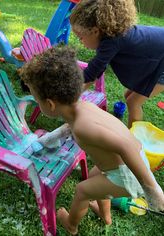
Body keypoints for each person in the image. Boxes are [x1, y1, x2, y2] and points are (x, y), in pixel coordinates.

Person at [20, 46, 164, 235]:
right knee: (95, 179)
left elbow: (126, 145)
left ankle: (71, 225)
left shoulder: (82, 126)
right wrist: (48, 139)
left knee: (82, 190)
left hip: (129, 173)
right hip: (121, 166)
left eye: (37, 101)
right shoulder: (82, 108)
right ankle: (106, 216)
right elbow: (68, 128)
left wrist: (153, 191)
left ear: (50, 104)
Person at [70, 0, 164, 128]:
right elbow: (96, 71)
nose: (81, 42)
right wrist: (77, 93)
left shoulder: (112, 41)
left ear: (95, 31)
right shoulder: (110, 36)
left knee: (133, 102)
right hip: (158, 57)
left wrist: (70, 97)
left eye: (81, 37)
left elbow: (93, 71)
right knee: (128, 95)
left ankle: (134, 143)